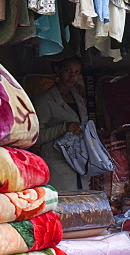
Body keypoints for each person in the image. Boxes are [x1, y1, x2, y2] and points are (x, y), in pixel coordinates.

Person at [34, 56, 89, 190]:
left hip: (80, 163)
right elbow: (36, 137)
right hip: (57, 165)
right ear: (57, 70)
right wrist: (64, 127)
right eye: (68, 71)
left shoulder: (78, 98)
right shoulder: (45, 100)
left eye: (76, 72)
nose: (72, 76)